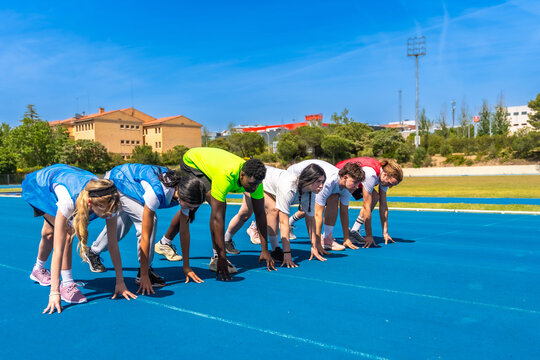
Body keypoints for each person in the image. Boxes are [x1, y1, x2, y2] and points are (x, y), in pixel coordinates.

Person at [22, 164, 136, 314]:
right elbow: (58, 250)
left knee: (49, 232)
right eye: (106, 211)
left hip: (61, 178)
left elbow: (113, 244)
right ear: (90, 203)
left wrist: (120, 282)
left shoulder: (109, 200)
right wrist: (54, 292)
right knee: (66, 234)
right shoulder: (68, 201)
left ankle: (37, 269)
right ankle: (67, 284)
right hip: (39, 186)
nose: (110, 214)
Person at [84, 164, 206, 294]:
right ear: (182, 196)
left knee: (124, 220)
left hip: (132, 184)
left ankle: (93, 251)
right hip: (120, 180)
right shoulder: (158, 192)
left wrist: (186, 266)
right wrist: (144, 274)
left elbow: (184, 231)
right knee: (149, 221)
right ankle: (145, 269)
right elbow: (145, 234)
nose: (191, 209)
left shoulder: (184, 191)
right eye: (190, 206)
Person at [159, 147, 276, 281]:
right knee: (212, 206)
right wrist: (222, 257)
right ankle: (215, 257)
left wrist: (265, 249)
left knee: (193, 206)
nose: (254, 188)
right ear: (242, 175)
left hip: (209, 163)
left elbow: (260, 213)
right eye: (251, 184)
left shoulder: (255, 181)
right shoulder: (225, 175)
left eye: (257, 184)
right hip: (192, 163)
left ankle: (165, 242)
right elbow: (217, 218)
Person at [225, 164, 326, 267]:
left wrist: (314, 246)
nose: (321, 186)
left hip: (273, 187)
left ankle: (274, 250)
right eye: (318, 181)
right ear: (308, 179)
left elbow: (310, 220)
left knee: (249, 213)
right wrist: (287, 253)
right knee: (248, 213)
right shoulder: (289, 188)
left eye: (323, 182)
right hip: (259, 181)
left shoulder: (310, 192)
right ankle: (226, 240)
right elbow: (283, 222)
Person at [286, 160, 364, 260]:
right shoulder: (326, 183)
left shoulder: (348, 187)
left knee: (334, 198)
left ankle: (327, 239)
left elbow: (344, 212)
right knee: (279, 206)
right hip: (294, 174)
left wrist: (346, 238)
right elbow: (318, 214)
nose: (357, 187)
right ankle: (261, 230)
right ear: (345, 177)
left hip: (315, 179)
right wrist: (317, 243)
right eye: (355, 182)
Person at [335, 157, 403, 249]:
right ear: (385, 175)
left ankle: (354, 231)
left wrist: (385, 232)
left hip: (355, 180)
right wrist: (369, 235)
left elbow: (383, 205)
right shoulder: (371, 175)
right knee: (331, 203)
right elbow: (366, 206)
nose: (390, 187)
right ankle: (325, 236)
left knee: (375, 197)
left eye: (393, 185)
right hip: (339, 175)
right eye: (391, 183)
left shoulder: (384, 178)